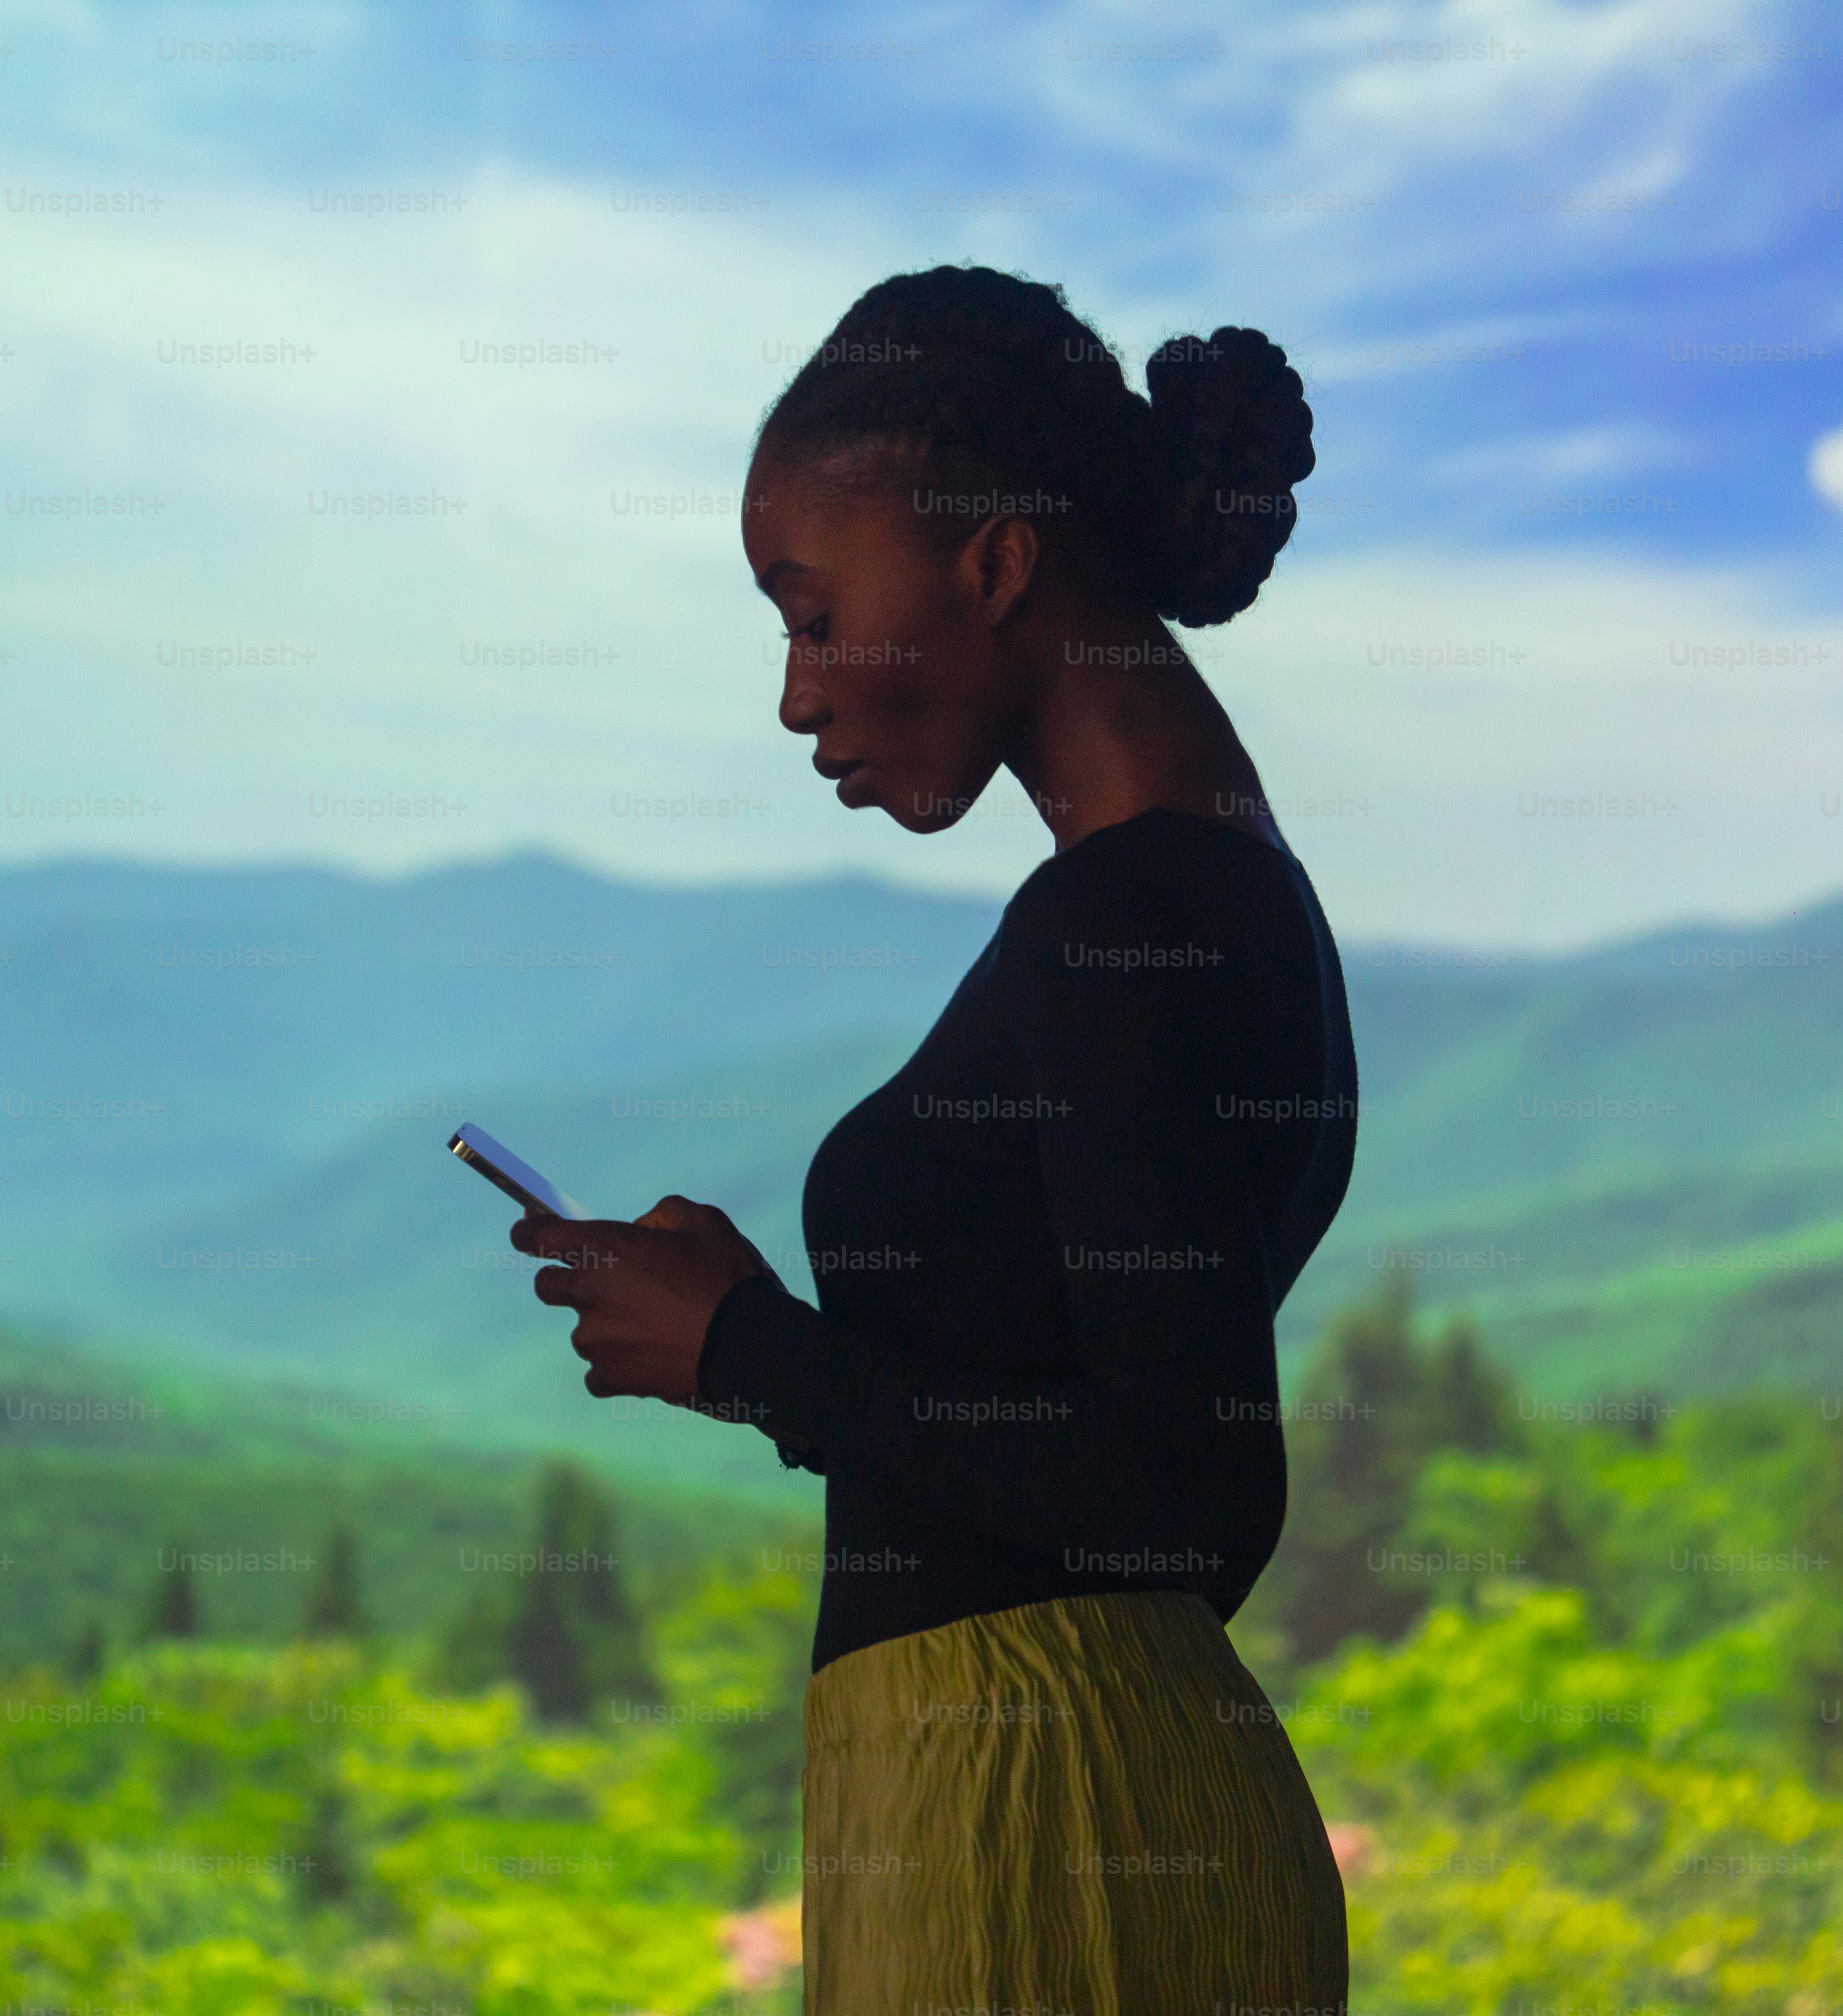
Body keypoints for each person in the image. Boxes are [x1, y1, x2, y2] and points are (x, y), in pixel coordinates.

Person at [510, 263, 1356, 2012]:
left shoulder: (1126, 927)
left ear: (994, 564)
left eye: (811, 612)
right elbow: (1074, 1416)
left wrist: (753, 1350)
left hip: (1047, 1831)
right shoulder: (1195, 901)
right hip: (1042, 1806)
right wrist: (763, 1354)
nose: (795, 694)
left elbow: (1193, 1492)